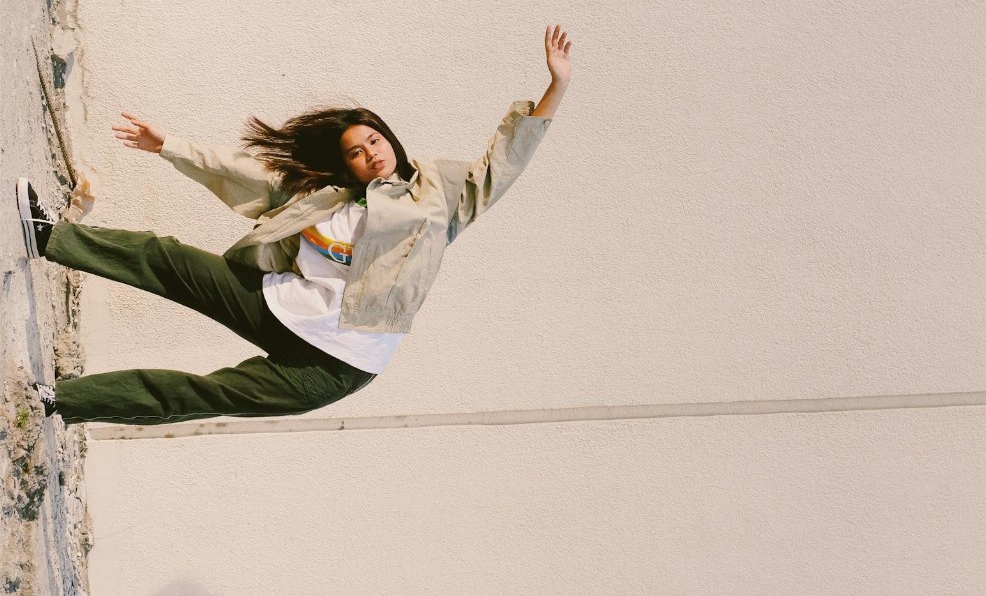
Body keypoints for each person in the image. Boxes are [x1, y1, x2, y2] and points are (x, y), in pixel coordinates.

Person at [17, 24, 573, 426]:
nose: (370, 154)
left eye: (375, 141)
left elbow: (500, 169)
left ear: (391, 141)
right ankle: (48, 236)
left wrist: (556, 86)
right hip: (279, 306)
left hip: (336, 364)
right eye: (356, 151)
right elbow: (246, 176)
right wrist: (168, 146)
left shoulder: (436, 198)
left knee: (197, 393)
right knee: (167, 258)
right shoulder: (328, 197)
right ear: (346, 164)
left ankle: (60, 401)